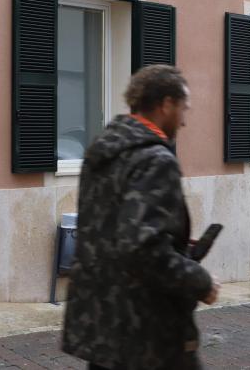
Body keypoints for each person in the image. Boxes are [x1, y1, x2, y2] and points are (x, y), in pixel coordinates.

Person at [62, 65, 219, 370]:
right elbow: (142, 248)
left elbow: (111, 230)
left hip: (101, 324)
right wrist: (200, 280)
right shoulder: (155, 159)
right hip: (146, 331)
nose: (184, 120)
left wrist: (175, 241)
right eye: (183, 107)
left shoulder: (103, 150)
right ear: (166, 104)